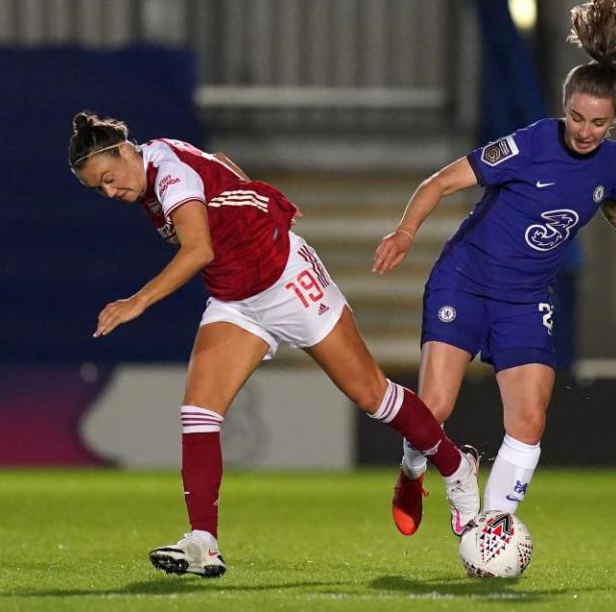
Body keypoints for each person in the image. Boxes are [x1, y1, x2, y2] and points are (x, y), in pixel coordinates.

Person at [67, 112, 482, 578]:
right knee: (199, 412)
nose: (109, 192)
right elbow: (219, 162)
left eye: (107, 178)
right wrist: (254, 198)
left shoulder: (169, 176)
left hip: (286, 278)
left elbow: (198, 250)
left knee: (374, 395)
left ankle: (456, 466)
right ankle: (203, 540)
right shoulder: (155, 159)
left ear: (125, 151)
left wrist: (137, 301)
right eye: (96, 189)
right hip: (235, 299)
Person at [372, 0, 616, 536]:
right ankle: (412, 470)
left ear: (614, 121)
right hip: (465, 281)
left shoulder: (612, 163)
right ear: (563, 108)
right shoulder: (529, 145)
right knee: (434, 407)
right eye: (576, 118)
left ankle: (493, 528)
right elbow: (442, 181)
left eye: (598, 123)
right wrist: (407, 230)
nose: (584, 131)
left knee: (529, 418)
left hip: (525, 300)